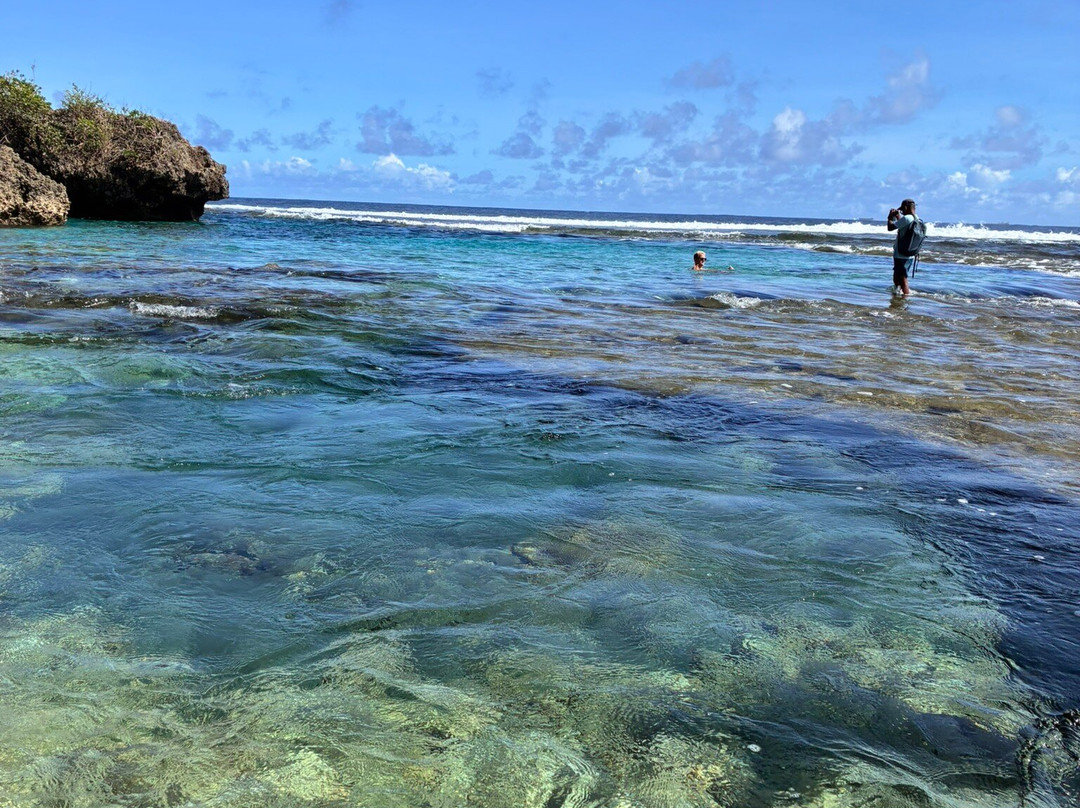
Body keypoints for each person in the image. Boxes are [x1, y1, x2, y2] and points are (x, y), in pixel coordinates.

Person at [887, 199, 920, 296]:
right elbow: (903, 225)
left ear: (905, 207)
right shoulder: (916, 218)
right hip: (909, 253)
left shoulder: (907, 218)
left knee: (902, 278)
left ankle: (905, 297)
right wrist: (898, 217)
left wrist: (889, 218)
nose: (902, 212)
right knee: (898, 277)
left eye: (902, 210)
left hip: (901, 254)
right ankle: (898, 297)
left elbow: (890, 227)